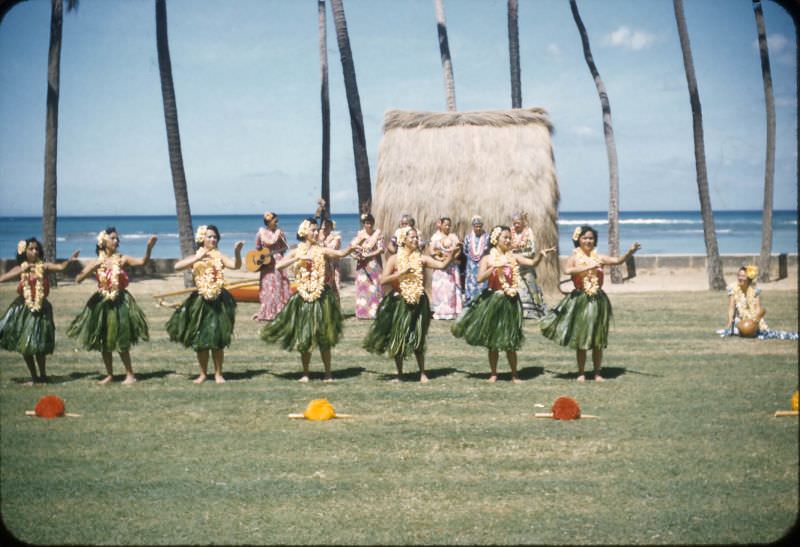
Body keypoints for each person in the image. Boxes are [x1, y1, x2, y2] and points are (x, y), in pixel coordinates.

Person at [452, 226, 556, 383]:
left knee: (510, 340)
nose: (508, 240)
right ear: (496, 240)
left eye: (509, 237)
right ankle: (493, 373)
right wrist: (494, 267)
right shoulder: (487, 259)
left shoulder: (514, 257)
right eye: (505, 237)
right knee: (493, 341)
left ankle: (514, 374)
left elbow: (532, 263)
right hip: (494, 300)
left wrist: (540, 256)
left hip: (511, 301)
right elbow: (480, 278)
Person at [539, 225, 640, 382]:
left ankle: (597, 373)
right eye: (585, 238)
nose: (588, 240)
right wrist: (588, 266)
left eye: (591, 238)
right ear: (578, 240)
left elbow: (618, 260)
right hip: (581, 299)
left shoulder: (600, 257)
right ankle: (581, 373)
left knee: (597, 339)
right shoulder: (573, 258)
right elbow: (567, 271)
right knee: (582, 338)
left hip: (598, 300)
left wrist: (630, 251)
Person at [260, 217, 355, 382]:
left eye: (317, 229)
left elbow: (340, 253)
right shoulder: (298, 250)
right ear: (305, 232)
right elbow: (279, 266)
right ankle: (305, 373)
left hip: (322, 297)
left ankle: (328, 373)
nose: (316, 232)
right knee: (305, 336)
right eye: (313, 229)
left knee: (324, 336)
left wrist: (353, 247)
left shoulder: (322, 250)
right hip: (303, 297)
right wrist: (297, 259)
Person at [363, 226, 455, 383]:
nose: (415, 239)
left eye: (416, 237)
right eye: (411, 237)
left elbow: (441, 265)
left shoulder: (422, 258)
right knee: (399, 336)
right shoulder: (394, 259)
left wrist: (452, 253)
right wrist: (401, 273)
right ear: (403, 240)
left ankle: (422, 373)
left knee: (418, 337)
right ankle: (399, 374)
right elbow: (383, 280)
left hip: (419, 301)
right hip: (399, 302)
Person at [68, 227, 157, 385]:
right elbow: (78, 279)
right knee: (104, 338)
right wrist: (92, 270)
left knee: (121, 338)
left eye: (117, 239)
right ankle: (109, 374)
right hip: (101, 302)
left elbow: (143, 262)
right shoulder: (96, 262)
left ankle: (130, 374)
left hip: (120, 301)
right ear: (103, 242)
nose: (117, 241)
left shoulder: (122, 259)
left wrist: (149, 248)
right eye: (113, 238)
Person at [166, 225, 244, 384]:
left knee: (217, 339)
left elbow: (235, 265)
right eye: (209, 236)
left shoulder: (219, 256)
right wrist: (198, 258)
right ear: (202, 238)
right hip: (200, 301)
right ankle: (202, 374)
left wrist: (237, 252)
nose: (213, 239)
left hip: (218, 300)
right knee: (201, 340)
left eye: (215, 237)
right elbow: (177, 266)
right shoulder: (196, 255)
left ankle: (218, 374)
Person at [0, 239, 79, 384]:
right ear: (24, 252)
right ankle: (34, 376)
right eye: (31, 249)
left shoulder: (44, 267)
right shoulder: (20, 268)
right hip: (24, 310)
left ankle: (43, 375)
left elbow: (60, 267)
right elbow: (2, 278)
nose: (35, 251)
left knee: (40, 344)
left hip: (42, 308)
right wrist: (21, 271)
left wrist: (69, 261)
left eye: (37, 249)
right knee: (26, 345)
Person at [717, 265, 799, 340]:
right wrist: (729, 322)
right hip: (739, 320)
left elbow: (758, 309)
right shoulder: (733, 288)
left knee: (755, 331)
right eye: (738, 275)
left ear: (748, 278)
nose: (740, 278)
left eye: (743, 276)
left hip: (752, 319)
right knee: (739, 330)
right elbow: (731, 308)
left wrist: (755, 321)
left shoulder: (755, 291)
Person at [252, 212, 291, 321]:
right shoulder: (261, 232)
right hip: (267, 263)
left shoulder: (279, 233)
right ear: (268, 222)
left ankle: (280, 312)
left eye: (277, 221)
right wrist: (261, 258)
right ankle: (268, 313)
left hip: (278, 262)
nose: (277, 223)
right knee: (267, 287)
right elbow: (260, 247)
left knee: (279, 286)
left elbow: (285, 247)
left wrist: (282, 237)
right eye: (275, 221)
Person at [510, 212, 547, 319]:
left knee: (532, 289)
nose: (516, 225)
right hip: (515, 267)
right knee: (519, 289)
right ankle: (521, 312)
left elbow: (531, 251)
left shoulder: (528, 232)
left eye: (518, 223)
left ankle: (538, 310)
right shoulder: (510, 232)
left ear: (522, 222)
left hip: (527, 266)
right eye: (514, 223)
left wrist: (518, 252)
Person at [351, 213, 385, 319]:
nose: (369, 225)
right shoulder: (360, 235)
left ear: (373, 223)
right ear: (363, 224)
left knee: (375, 288)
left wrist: (368, 255)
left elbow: (381, 249)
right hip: (362, 266)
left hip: (374, 266)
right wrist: (356, 256)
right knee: (363, 288)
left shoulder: (378, 235)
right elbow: (351, 249)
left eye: (370, 223)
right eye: (366, 223)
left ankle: (376, 312)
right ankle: (362, 313)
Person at [429, 217, 463, 319]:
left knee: (451, 288)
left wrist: (451, 258)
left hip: (451, 265)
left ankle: (452, 312)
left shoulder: (453, 237)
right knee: (440, 289)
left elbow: (458, 250)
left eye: (449, 225)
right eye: (446, 225)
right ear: (441, 225)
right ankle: (439, 312)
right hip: (440, 266)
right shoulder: (435, 237)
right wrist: (439, 259)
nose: (448, 227)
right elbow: (431, 251)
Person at [462, 215, 489, 303]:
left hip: (483, 264)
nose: (478, 228)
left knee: (482, 284)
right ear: (473, 226)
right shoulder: (468, 237)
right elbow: (465, 250)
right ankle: (471, 302)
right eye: (476, 226)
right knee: (471, 284)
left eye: (480, 226)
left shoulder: (487, 237)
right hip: (471, 265)